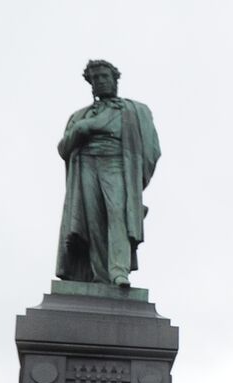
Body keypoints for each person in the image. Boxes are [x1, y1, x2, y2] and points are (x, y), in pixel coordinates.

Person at [56, 60, 161, 287]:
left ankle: (119, 271)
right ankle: (101, 275)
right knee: (93, 220)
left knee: (118, 214)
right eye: (95, 78)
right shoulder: (79, 116)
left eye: (105, 76)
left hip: (117, 164)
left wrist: (137, 181)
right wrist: (79, 130)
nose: (101, 81)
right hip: (86, 163)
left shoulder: (135, 110)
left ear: (115, 79)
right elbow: (63, 149)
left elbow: (152, 150)